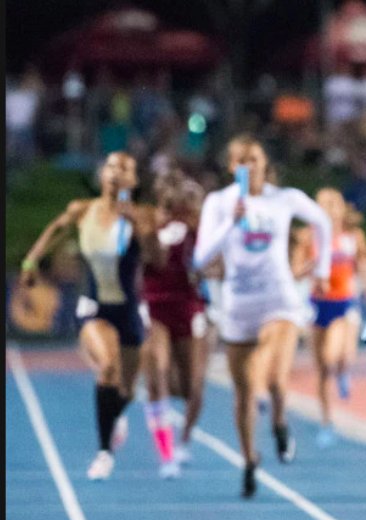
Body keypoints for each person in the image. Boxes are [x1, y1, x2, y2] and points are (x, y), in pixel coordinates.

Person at [193, 134, 332, 498]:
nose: (247, 166)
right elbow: (200, 256)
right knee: (243, 392)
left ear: (264, 164)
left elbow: (323, 221)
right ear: (230, 167)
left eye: (253, 159)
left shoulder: (284, 199)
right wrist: (229, 222)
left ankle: (281, 421)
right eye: (240, 160)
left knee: (271, 377)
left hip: (280, 301)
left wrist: (323, 269)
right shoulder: (219, 202)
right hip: (239, 306)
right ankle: (250, 458)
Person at [19, 152, 160, 480]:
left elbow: (156, 259)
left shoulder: (144, 216)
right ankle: (104, 453)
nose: (115, 173)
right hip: (95, 308)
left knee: (127, 390)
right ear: (102, 173)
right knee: (107, 366)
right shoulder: (82, 210)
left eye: (124, 168)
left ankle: (116, 415)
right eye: (110, 166)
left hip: (129, 313)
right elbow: (55, 230)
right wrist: (30, 262)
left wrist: (138, 226)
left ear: (134, 181)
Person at [140, 170, 210, 478]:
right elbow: (150, 261)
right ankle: (166, 454)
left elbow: (214, 262)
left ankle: (184, 440)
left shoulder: (200, 231)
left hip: (190, 308)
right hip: (156, 306)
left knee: (193, 386)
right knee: (160, 369)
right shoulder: (149, 227)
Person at [301, 189, 366, 448]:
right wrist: (311, 266)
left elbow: (364, 265)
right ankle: (327, 421)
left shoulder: (353, 237)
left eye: (333, 204)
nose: (329, 210)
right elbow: (296, 271)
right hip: (318, 304)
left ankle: (343, 371)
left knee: (335, 356)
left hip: (344, 304)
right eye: (323, 205)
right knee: (321, 370)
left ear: (342, 209)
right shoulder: (309, 237)